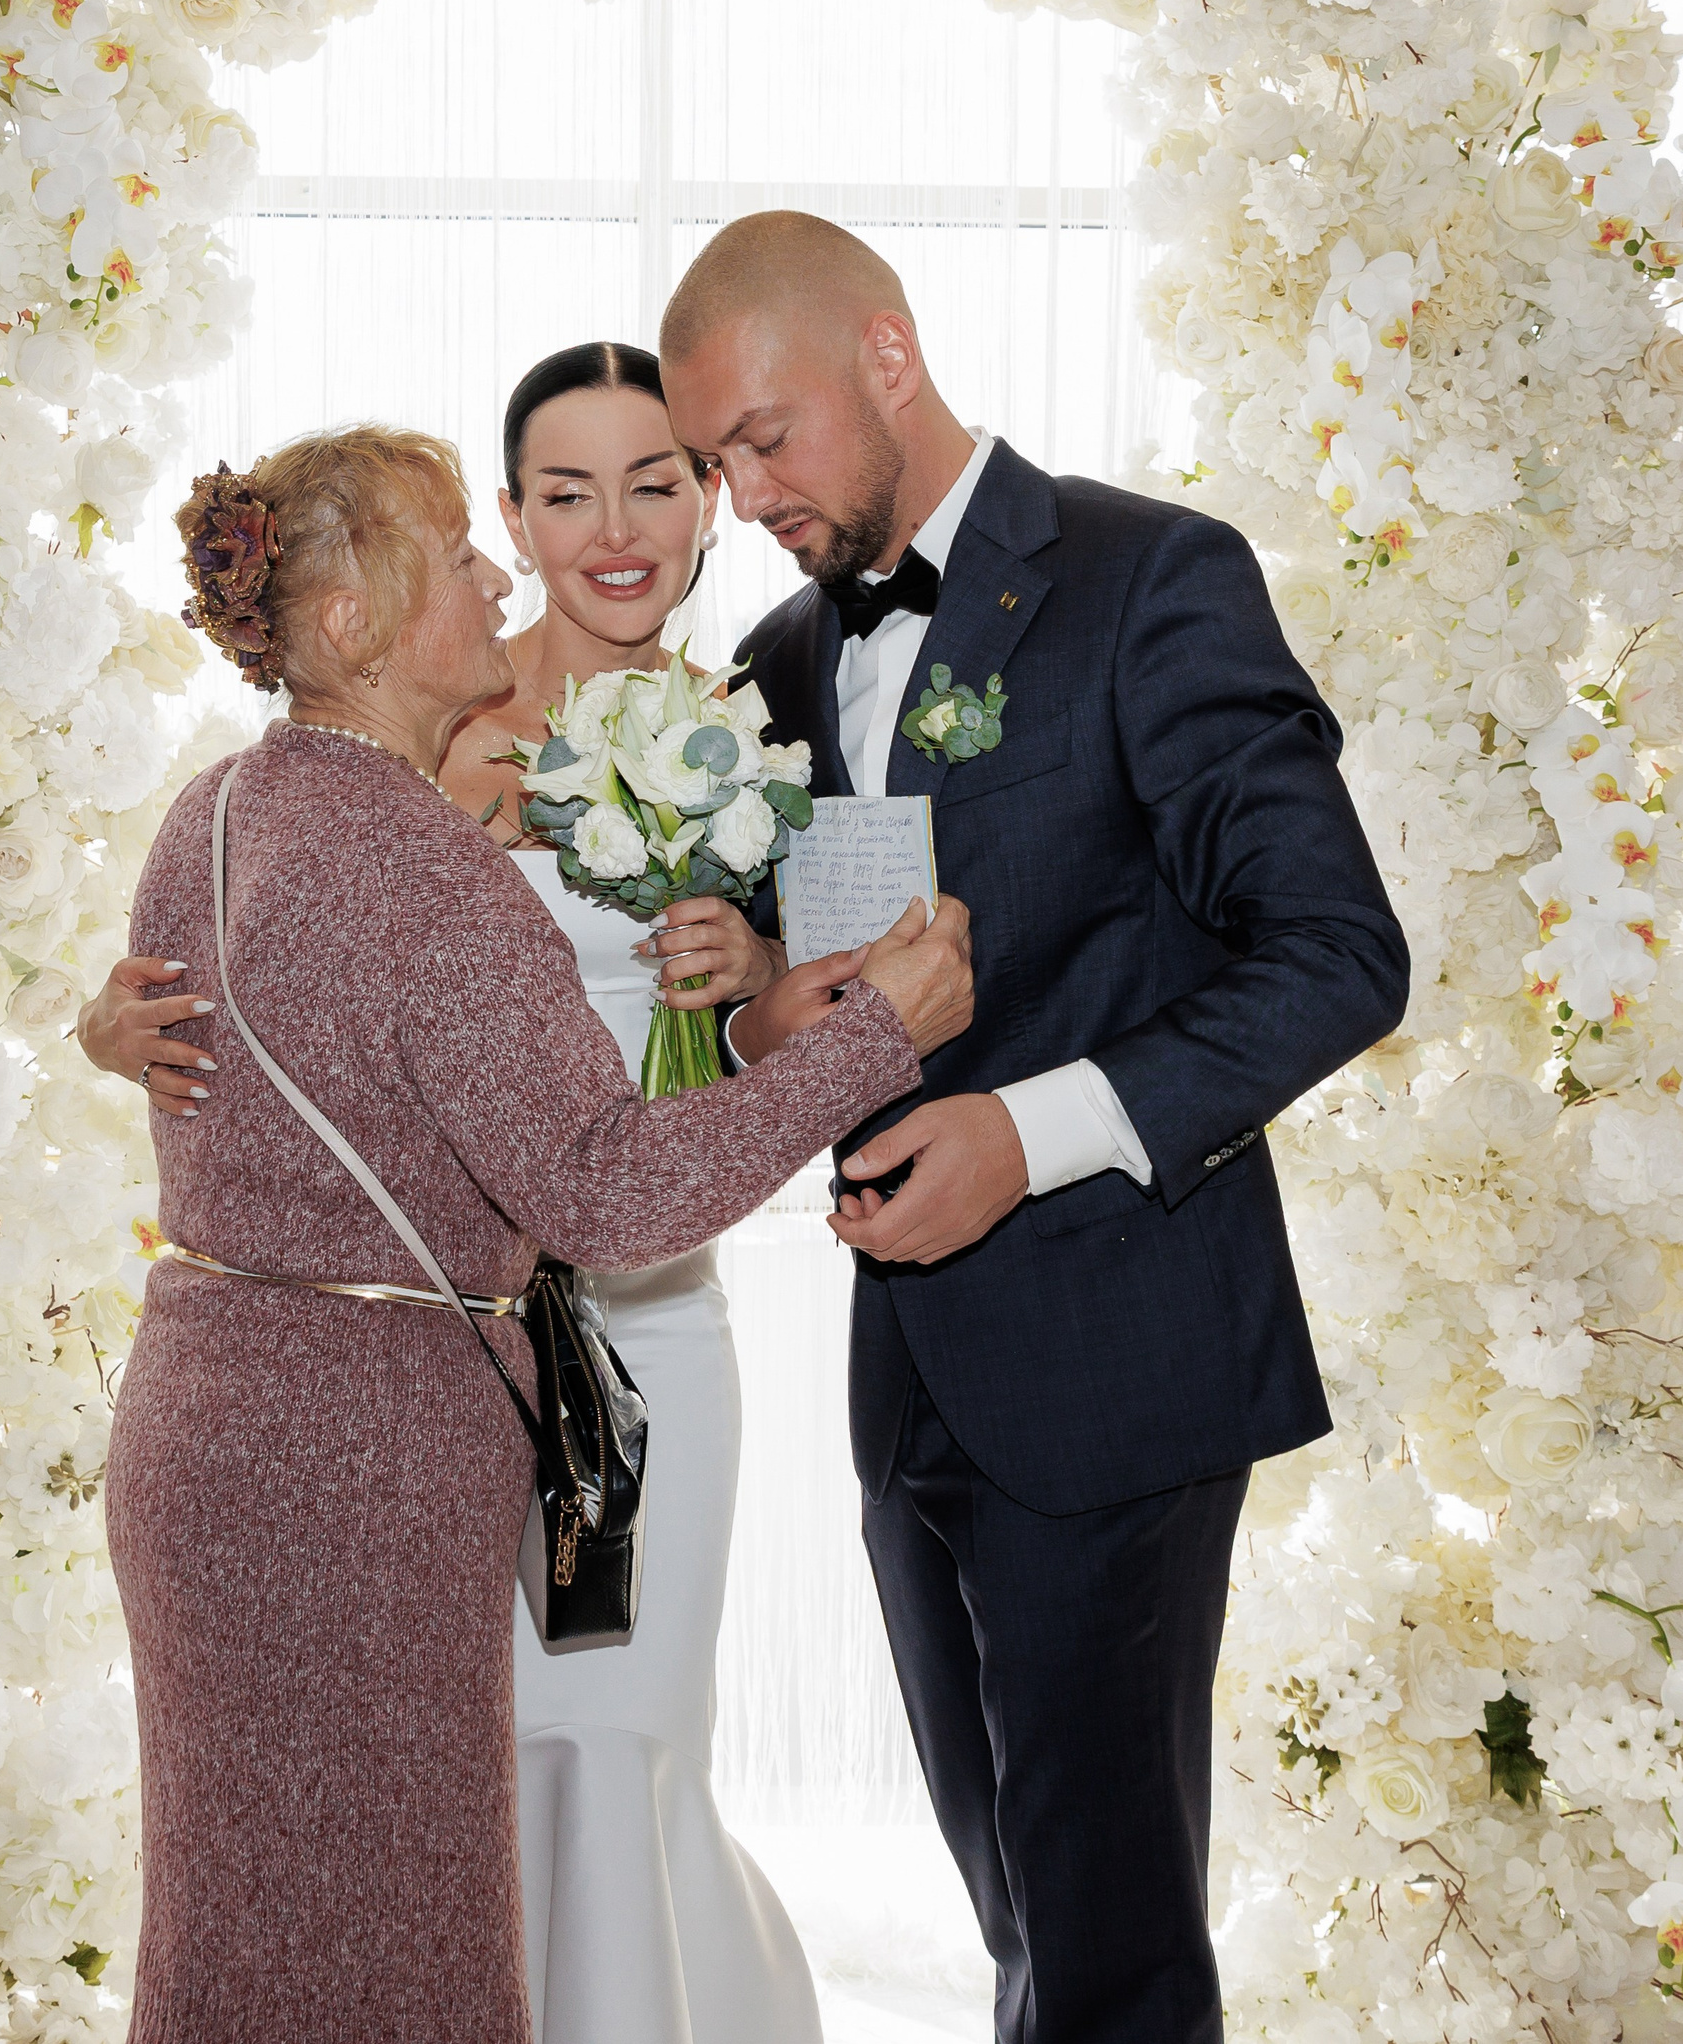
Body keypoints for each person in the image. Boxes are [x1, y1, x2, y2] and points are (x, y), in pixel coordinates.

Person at [101, 422, 973, 2044]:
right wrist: (878, 1037)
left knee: (239, 1936)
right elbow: (610, 1199)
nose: (495, 582)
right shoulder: (433, 870)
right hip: (362, 1464)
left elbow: (204, 1070)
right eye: (456, 557)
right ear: (353, 623)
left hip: (195, 1437)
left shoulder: (209, 814)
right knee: (406, 1937)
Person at [656, 211, 1411, 2044]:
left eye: (766, 439)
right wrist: (758, 1006)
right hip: (906, 1376)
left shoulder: (1154, 578)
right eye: (714, 464)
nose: (745, 497)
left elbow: (1338, 955)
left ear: (888, 355)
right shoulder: (771, 661)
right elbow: (761, 991)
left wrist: (1032, 1132)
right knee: (1016, 1910)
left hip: (1121, 1356)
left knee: (1109, 1949)